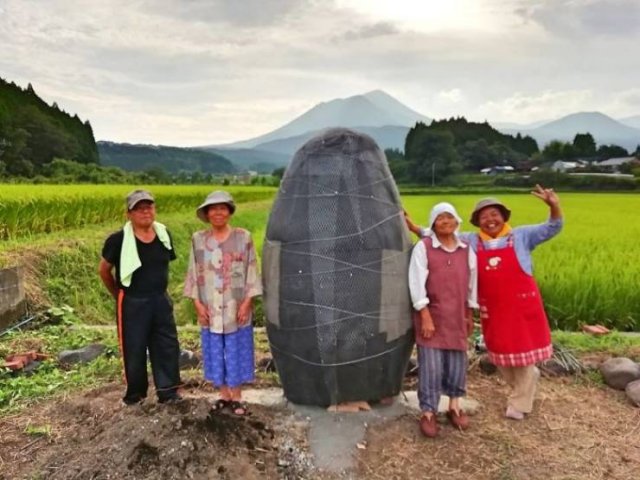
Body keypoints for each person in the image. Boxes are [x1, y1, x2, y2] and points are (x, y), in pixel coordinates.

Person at [407, 185, 563, 420]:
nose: (490, 220)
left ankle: (520, 402)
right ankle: (527, 379)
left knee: (522, 353)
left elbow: (553, 227)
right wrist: (415, 228)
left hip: (521, 305)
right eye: (484, 216)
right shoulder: (470, 240)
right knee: (501, 354)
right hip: (493, 307)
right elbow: (440, 233)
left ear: (503, 217)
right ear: (476, 221)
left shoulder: (521, 235)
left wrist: (553, 205)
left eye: (494, 215)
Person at [98, 189, 182, 405]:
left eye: (149, 206)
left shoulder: (164, 235)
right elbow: (104, 270)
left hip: (160, 299)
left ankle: (168, 391)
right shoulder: (117, 240)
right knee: (133, 348)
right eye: (139, 208)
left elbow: (164, 266)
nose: (145, 211)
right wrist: (118, 295)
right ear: (129, 213)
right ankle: (135, 395)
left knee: (167, 344)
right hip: (133, 301)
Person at [183, 191, 262, 416]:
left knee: (236, 350)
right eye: (213, 208)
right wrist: (197, 304)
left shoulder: (243, 237)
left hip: (236, 306)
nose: (218, 212)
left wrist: (247, 302)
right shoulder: (198, 239)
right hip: (210, 307)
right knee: (215, 351)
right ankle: (223, 395)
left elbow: (251, 271)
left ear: (229, 212)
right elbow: (193, 271)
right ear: (207, 213)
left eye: (223, 208)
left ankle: (237, 397)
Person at [409, 202, 477, 438]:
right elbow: (416, 283)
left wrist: (470, 314)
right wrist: (424, 315)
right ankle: (428, 412)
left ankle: (454, 407)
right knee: (431, 365)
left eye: (449, 217)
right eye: (440, 218)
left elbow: (472, 285)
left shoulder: (466, 249)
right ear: (433, 223)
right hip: (432, 315)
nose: (445, 222)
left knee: (458, 363)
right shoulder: (424, 248)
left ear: (457, 221)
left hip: (457, 315)